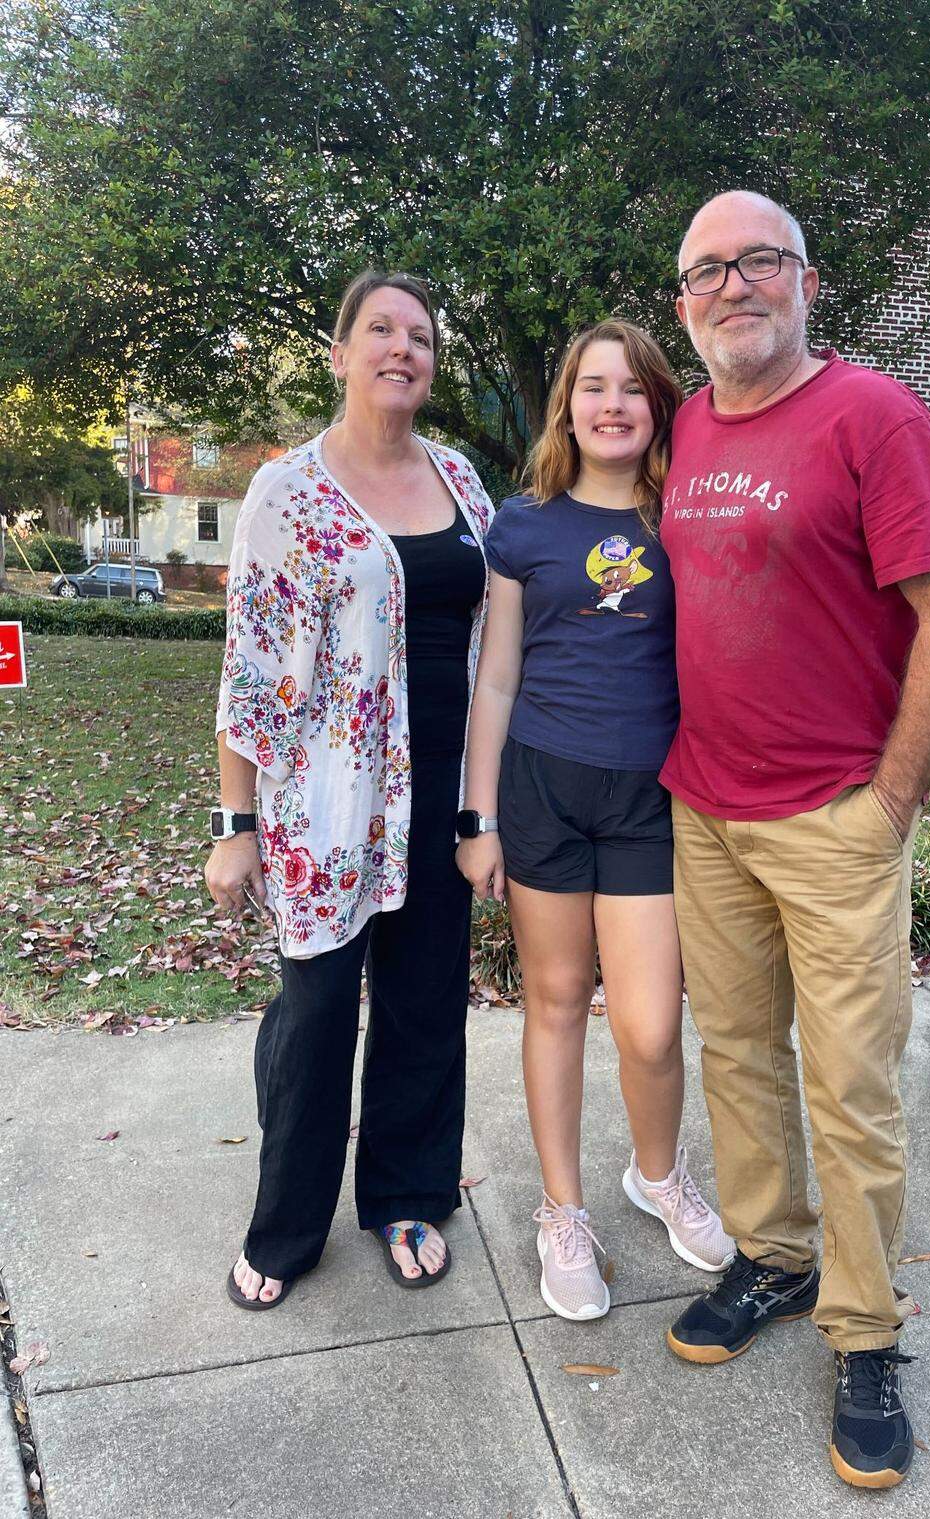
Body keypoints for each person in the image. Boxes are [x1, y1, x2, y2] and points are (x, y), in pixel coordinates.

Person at [660, 193, 930, 1487]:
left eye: (760, 260)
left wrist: (892, 801)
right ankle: (774, 1257)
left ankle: (863, 1329)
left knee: (850, 1087)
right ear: (684, 303)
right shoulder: (692, 426)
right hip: (707, 810)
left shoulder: (874, 415)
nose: (733, 285)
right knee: (739, 1053)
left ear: (808, 282)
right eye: (708, 270)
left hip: (834, 821)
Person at [205, 269, 494, 1307]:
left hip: (443, 795)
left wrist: (486, 804)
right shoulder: (286, 492)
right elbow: (248, 668)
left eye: (419, 335)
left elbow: (495, 642)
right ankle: (287, 1227)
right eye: (379, 328)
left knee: (424, 1003)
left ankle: (409, 1195)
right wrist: (236, 823)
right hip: (326, 802)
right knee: (319, 1009)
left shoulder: (463, 480)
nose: (401, 347)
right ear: (339, 353)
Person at [456, 320, 733, 1323]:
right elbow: (496, 677)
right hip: (542, 789)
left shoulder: (685, 514)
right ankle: (563, 1212)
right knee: (560, 999)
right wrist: (478, 816)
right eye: (592, 386)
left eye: (631, 388)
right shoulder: (522, 525)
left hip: (648, 796)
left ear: (659, 405)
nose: (611, 404)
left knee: (652, 1025)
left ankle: (657, 1175)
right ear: (566, 406)